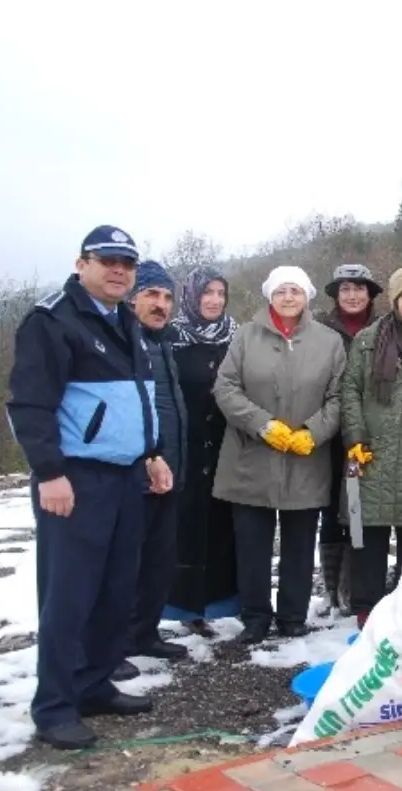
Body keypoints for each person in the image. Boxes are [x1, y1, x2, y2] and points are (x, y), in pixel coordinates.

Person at [6, 225, 171, 750]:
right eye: (108, 261)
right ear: (83, 264)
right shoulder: (52, 320)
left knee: (115, 590)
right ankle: (54, 706)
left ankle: (93, 684)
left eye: (127, 262)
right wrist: (50, 472)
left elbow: (138, 398)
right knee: (69, 595)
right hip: (75, 479)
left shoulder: (125, 319)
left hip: (126, 477)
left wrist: (150, 453)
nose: (119, 271)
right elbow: (30, 405)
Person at [212, 265, 347, 644]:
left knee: (300, 545)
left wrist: (314, 432)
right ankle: (255, 617)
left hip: (306, 458)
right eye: (282, 291)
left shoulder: (328, 341)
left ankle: (292, 616)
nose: (289, 297)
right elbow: (226, 388)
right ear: (270, 295)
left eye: (296, 291)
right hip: (250, 458)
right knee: (252, 545)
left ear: (307, 296)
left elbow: (338, 397)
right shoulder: (245, 336)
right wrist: (261, 424)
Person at [342, 266, 402, 627]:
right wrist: (354, 435)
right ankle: (366, 607)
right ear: (394, 299)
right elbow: (349, 389)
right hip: (372, 451)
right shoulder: (368, 340)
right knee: (368, 532)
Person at [165, 266, 240, 638]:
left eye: (220, 293)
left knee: (223, 528)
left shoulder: (235, 336)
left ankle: (223, 602)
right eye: (206, 293)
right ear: (192, 297)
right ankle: (186, 607)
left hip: (228, 446)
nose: (214, 300)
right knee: (187, 528)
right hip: (187, 447)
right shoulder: (172, 337)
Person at [125, 260, 190, 669]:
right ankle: (110, 644)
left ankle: (144, 633)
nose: (161, 304)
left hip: (172, 467)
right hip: (137, 470)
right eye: (151, 294)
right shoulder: (125, 341)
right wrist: (146, 457)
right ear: (133, 298)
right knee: (125, 564)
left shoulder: (163, 342)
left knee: (158, 559)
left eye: (167, 297)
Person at [315, 264, 383, 617]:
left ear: (370, 293)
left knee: (357, 507)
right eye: (345, 289)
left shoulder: (384, 327)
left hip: (366, 430)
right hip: (327, 428)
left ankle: (354, 585)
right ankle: (329, 588)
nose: (353, 295)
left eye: (359, 288)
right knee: (329, 507)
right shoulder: (320, 328)